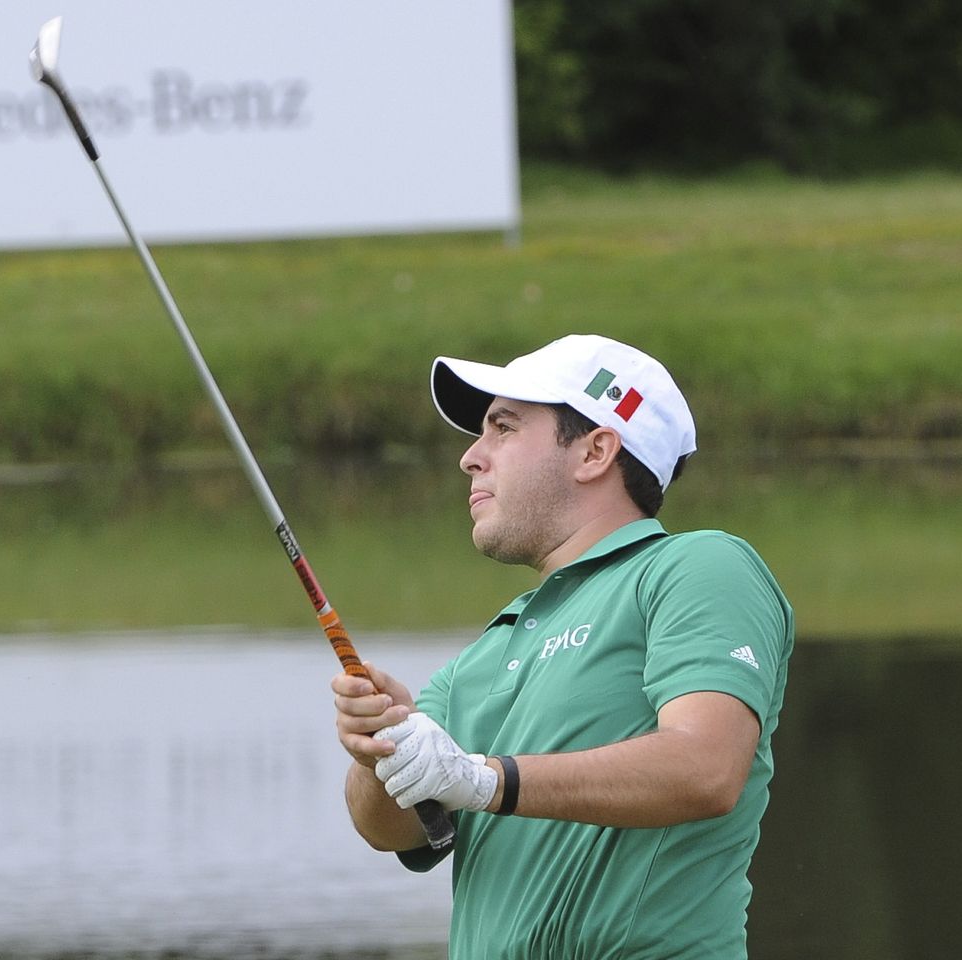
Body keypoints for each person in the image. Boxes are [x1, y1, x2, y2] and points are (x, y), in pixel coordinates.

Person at [332, 333, 793, 959]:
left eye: (503, 427)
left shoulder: (696, 566)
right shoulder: (481, 657)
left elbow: (705, 767)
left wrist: (484, 779)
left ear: (595, 450)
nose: (471, 457)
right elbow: (395, 832)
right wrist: (380, 751)